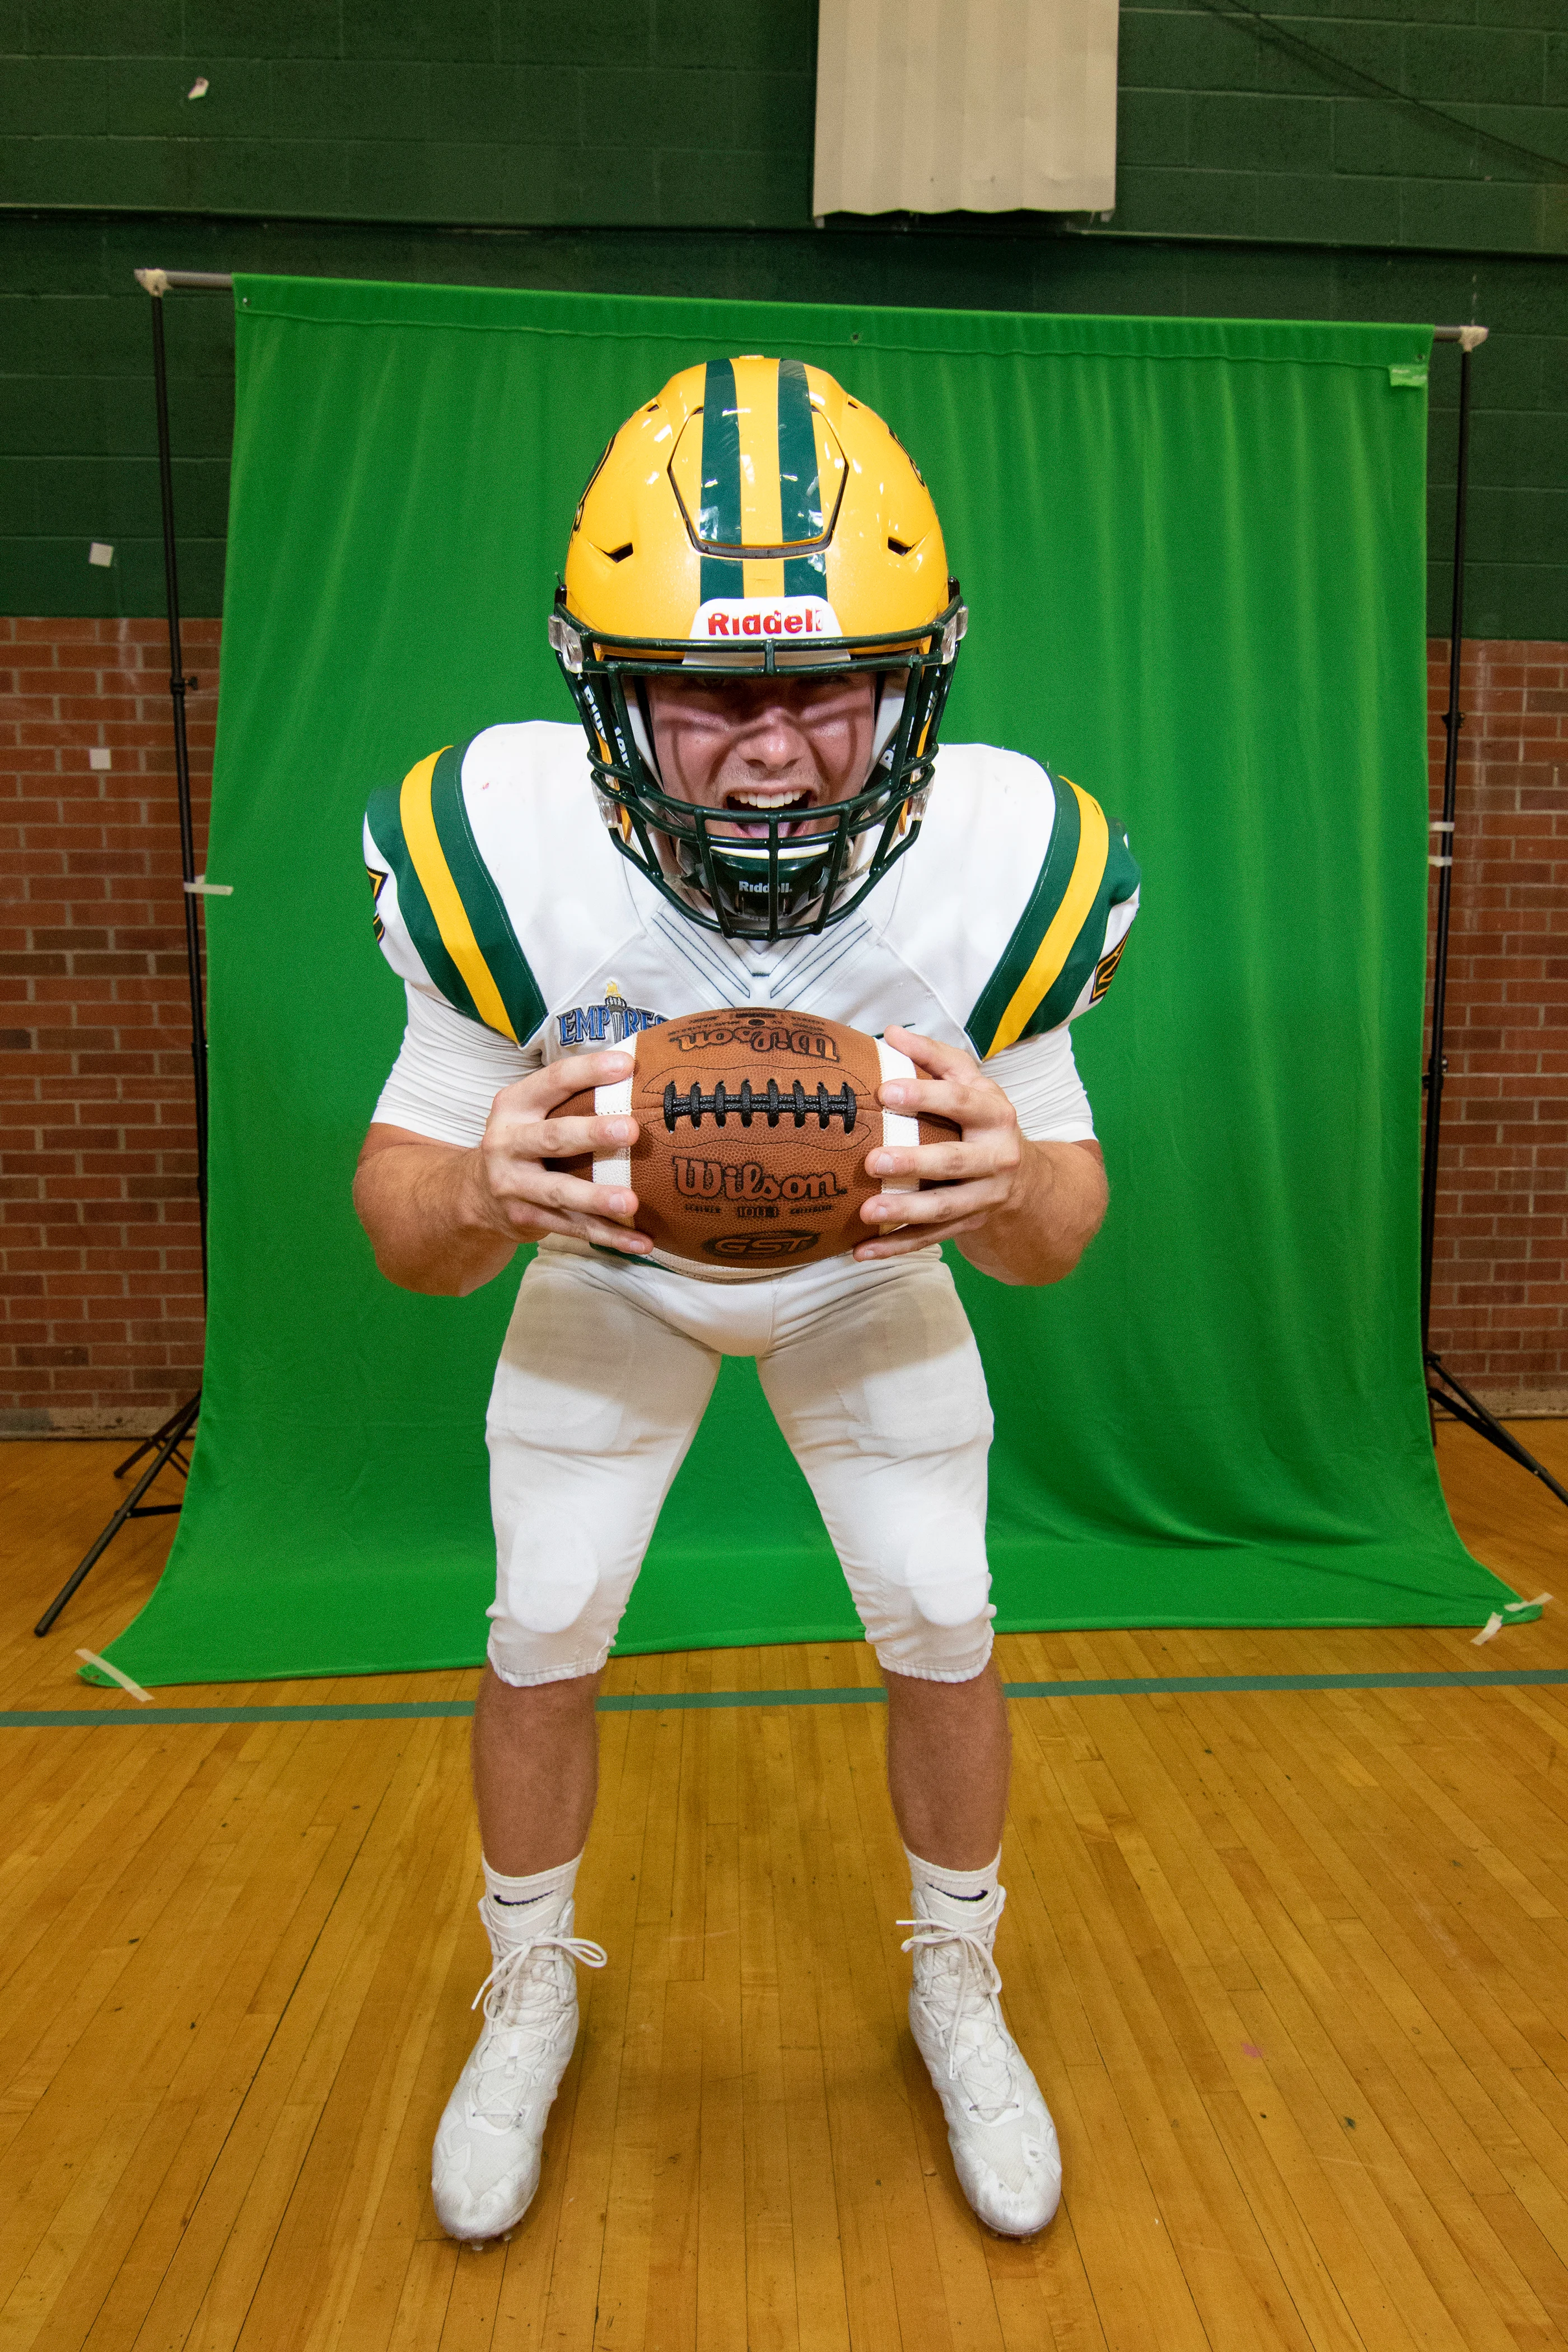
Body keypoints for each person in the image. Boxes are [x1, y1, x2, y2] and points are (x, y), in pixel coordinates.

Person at [354, 356, 1139, 2245]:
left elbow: (1062, 1225)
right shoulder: (504, 856)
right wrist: (482, 1182)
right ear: (606, 692)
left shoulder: (1003, 866)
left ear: (920, 684)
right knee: (542, 1615)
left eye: (829, 689)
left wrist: (1004, 1182)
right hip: (613, 1279)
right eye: (712, 694)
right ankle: (526, 1975)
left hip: (866, 1284)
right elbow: (402, 1213)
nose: (773, 752)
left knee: (947, 1607)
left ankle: (961, 1974)